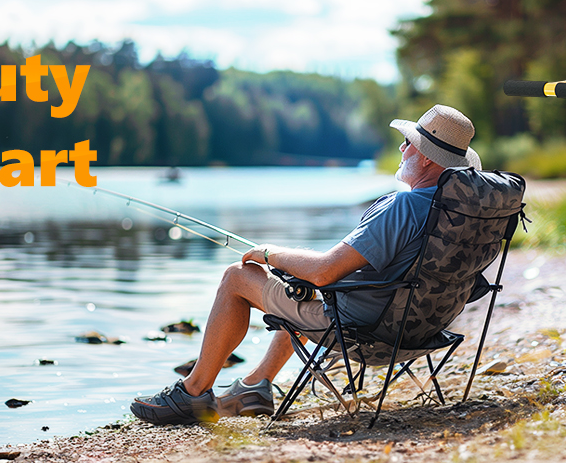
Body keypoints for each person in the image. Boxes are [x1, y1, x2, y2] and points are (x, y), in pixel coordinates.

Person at [129, 105, 482, 425]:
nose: (402, 149)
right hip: (421, 330)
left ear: (427, 159)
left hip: (365, 330)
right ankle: (256, 384)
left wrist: (269, 253)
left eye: (409, 144)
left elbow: (325, 272)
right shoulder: (462, 216)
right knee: (301, 284)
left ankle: (193, 392)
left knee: (237, 277)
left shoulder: (403, 207)